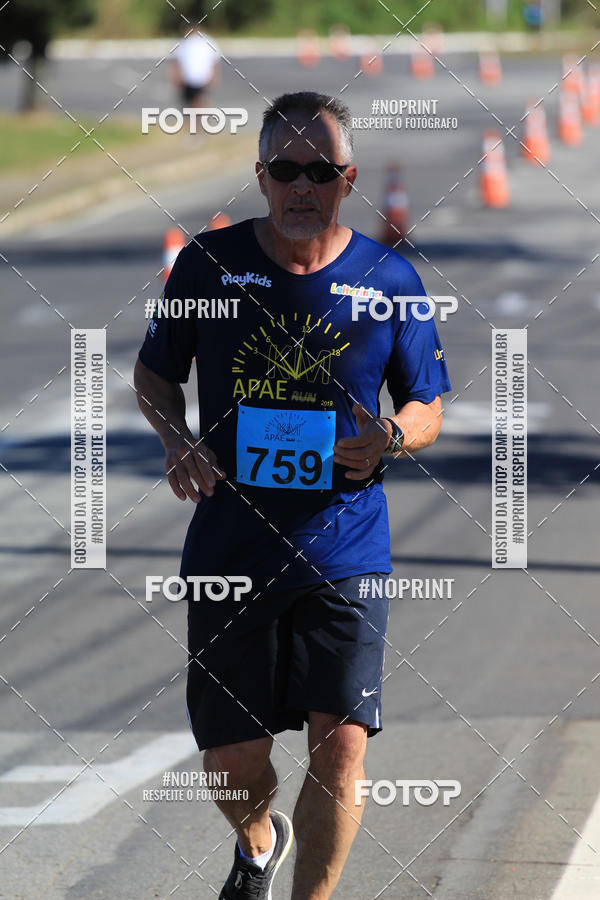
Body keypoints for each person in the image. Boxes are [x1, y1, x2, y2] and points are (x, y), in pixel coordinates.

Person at [134, 91, 451, 900]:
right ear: (261, 177)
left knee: (341, 745)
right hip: (230, 550)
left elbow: (428, 404)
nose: (301, 185)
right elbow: (154, 372)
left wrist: (390, 436)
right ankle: (257, 840)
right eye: (285, 169)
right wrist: (176, 439)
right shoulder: (208, 265)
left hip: (345, 545)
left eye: (319, 170)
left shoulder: (389, 279)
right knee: (234, 761)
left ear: (348, 180)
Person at [169, 23, 220, 109]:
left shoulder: (207, 42)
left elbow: (215, 61)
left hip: (203, 78)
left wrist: (215, 78)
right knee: (189, 104)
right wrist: (176, 77)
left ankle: (201, 119)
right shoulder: (183, 42)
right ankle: (194, 119)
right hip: (187, 80)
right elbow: (176, 62)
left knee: (201, 101)